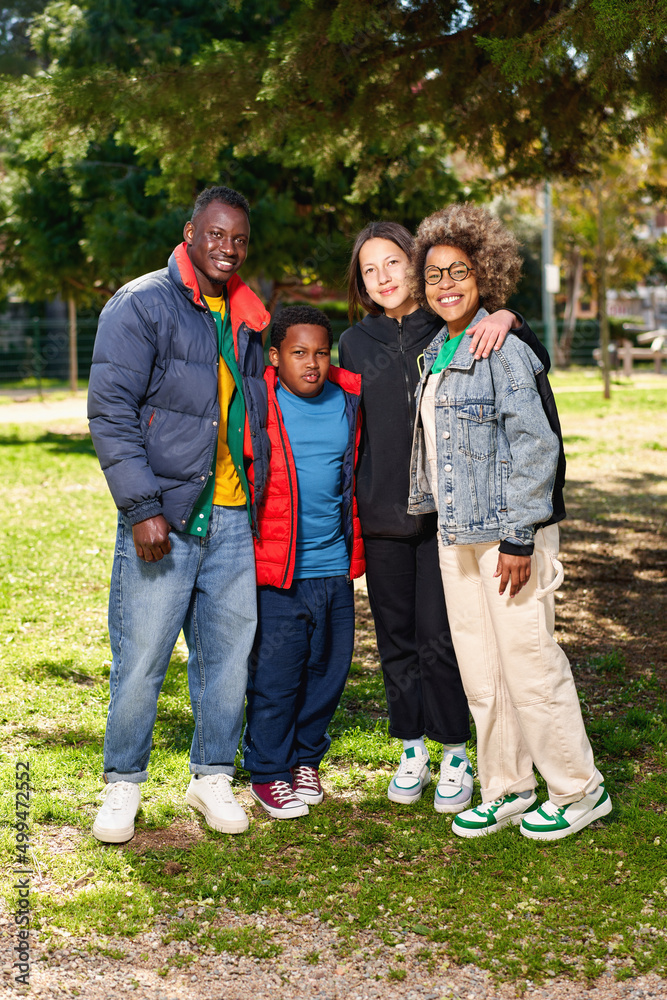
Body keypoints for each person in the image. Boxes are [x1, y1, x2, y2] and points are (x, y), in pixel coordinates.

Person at [407, 203, 611, 840]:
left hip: (508, 534)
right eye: (435, 273)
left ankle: (579, 789)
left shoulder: (503, 346)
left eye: (459, 271)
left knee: (528, 661)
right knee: (482, 669)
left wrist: (522, 535)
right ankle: (507, 785)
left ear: (483, 274)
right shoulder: (436, 352)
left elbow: (536, 447)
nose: (446, 284)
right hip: (456, 532)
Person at [338, 221, 551, 813]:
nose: (383, 277)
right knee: (395, 639)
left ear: (416, 267)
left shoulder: (454, 324)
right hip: (381, 516)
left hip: (447, 519)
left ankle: (455, 750)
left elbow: (533, 358)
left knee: (444, 640)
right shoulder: (353, 345)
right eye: (369, 270)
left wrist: (509, 316)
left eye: (393, 263)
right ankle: (412, 747)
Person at [87, 185, 271, 842]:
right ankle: (122, 786)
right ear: (191, 233)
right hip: (164, 517)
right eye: (216, 234)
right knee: (141, 657)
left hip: (231, 517)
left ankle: (210, 776)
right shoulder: (142, 303)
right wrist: (140, 507)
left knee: (226, 658)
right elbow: (110, 412)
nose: (227, 248)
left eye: (239, 239)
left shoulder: (248, 315)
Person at [243, 304, 364, 819]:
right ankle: (268, 771)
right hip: (277, 569)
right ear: (276, 356)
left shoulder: (349, 399)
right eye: (298, 353)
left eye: (320, 352)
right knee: (275, 676)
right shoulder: (257, 402)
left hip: (333, 566)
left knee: (327, 671)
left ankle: (305, 761)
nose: (311, 363)